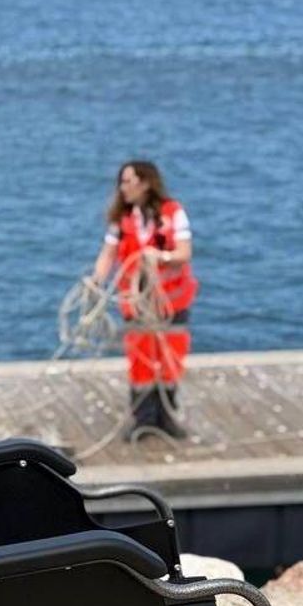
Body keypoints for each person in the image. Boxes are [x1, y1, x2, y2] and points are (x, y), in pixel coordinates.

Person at [89, 161, 198, 440]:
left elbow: (184, 252)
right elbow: (108, 254)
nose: (122, 188)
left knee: (170, 358)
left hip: (172, 301)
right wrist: (97, 281)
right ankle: (143, 418)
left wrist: (160, 257)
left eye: (128, 181)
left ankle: (166, 416)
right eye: (121, 182)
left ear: (145, 183)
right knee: (141, 359)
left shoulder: (174, 213)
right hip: (137, 302)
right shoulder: (121, 219)